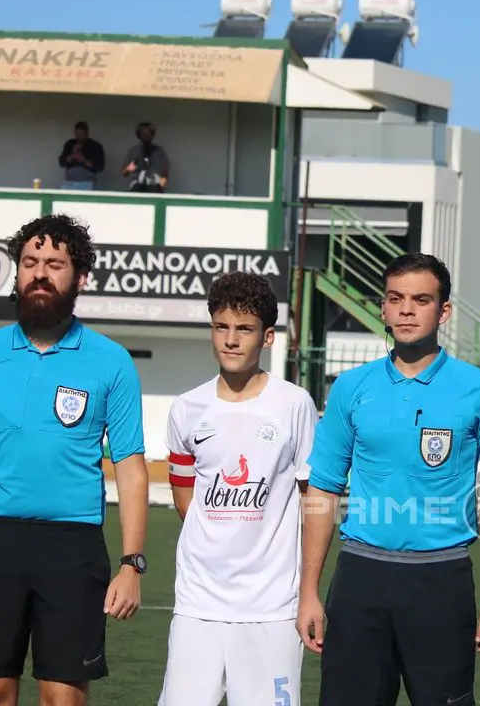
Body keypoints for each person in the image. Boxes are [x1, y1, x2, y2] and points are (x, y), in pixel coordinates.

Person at [0, 213, 149, 706]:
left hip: (73, 547)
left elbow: (131, 466)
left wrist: (132, 563)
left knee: (62, 698)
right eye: (29, 262)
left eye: (54, 264)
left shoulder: (111, 361)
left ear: (80, 277)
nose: (39, 273)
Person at [298, 252, 480, 706]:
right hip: (360, 578)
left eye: (421, 300)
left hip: (441, 581)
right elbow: (322, 489)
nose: (406, 310)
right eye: (395, 298)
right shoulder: (350, 388)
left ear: (443, 312)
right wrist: (308, 591)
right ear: (383, 308)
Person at [157, 271, 318, 706]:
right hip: (198, 603)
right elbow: (185, 496)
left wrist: (308, 589)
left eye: (244, 329)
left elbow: (314, 501)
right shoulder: (187, 407)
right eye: (221, 326)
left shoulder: (294, 404)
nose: (230, 340)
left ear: (267, 337)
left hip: (272, 606)